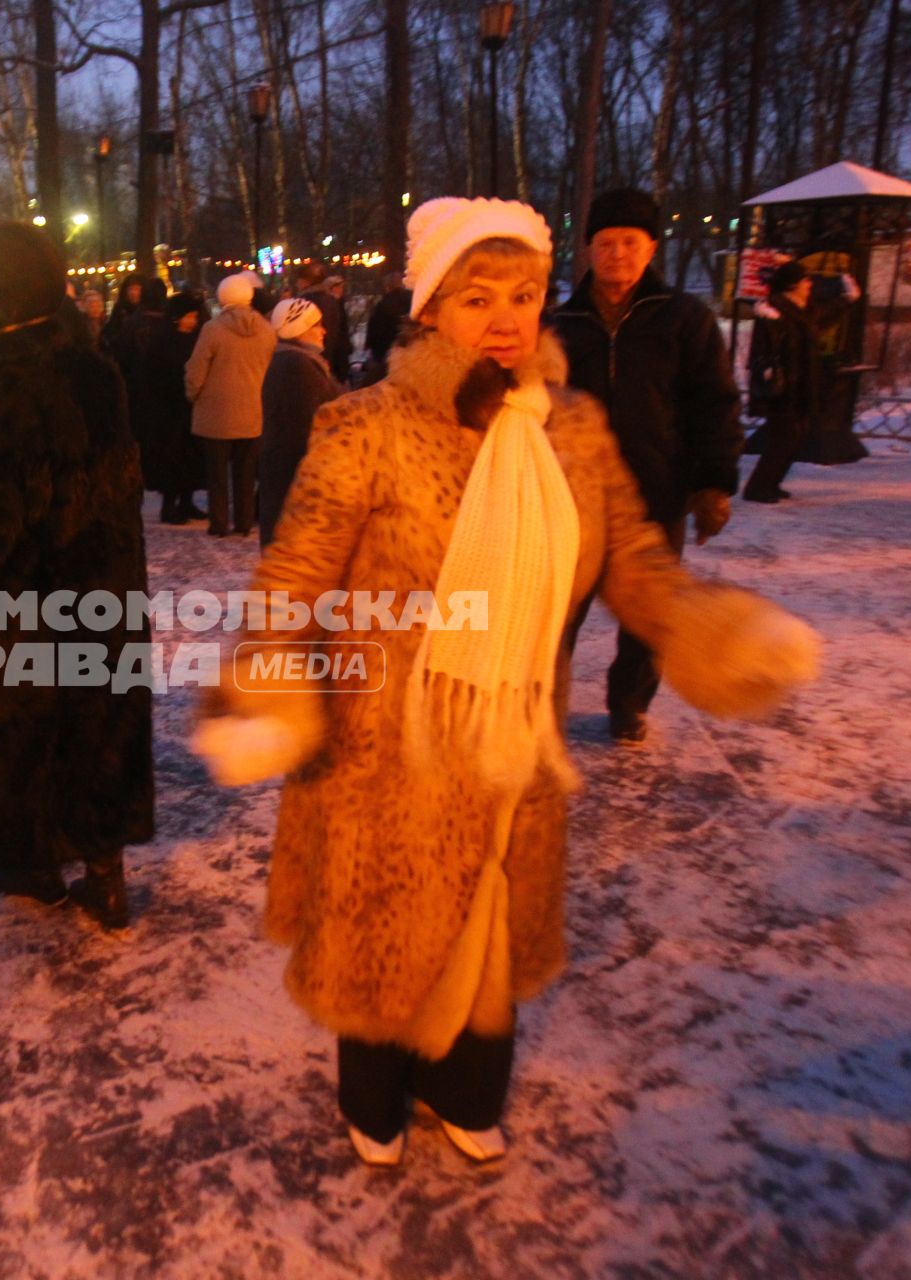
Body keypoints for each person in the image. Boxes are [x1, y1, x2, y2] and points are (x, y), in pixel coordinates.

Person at [190, 198, 819, 1168]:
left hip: (515, 738)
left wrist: (709, 632)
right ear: (431, 306)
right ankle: (379, 1097)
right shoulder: (365, 426)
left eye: (523, 294)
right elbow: (297, 572)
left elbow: (638, 566)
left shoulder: (573, 432)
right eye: (478, 295)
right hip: (384, 746)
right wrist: (268, 681)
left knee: (489, 923)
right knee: (383, 928)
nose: (506, 316)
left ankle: (465, 1086)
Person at [0, 218, 153, 930]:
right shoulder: (91, 362)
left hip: (18, 610)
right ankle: (105, 874)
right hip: (102, 590)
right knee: (96, 729)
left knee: (18, 740)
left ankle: (30, 860)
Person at [550, 187, 743, 743]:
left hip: (658, 493)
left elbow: (716, 401)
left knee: (650, 615)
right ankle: (538, 698)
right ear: (587, 250)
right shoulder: (563, 323)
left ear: (651, 247)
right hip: (574, 499)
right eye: (605, 243)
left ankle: (628, 704)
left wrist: (712, 483)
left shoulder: (682, 317)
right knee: (555, 614)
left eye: (629, 243)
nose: (616, 255)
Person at [185, 272, 277, 536]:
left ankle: (219, 523)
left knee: (217, 475)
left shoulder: (212, 330)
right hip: (253, 412)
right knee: (246, 473)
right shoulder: (266, 330)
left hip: (216, 413)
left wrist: (193, 395)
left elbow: (196, 371)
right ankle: (244, 521)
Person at [256, 296, 343, 546]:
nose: (323, 330)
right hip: (297, 486)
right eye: (315, 325)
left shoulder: (298, 361)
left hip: (293, 481)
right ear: (298, 329)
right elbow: (308, 428)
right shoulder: (296, 366)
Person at [742, 261, 827, 505]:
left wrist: (846, 300)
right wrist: (767, 369)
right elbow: (763, 348)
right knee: (785, 438)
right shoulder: (774, 310)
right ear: (793, 284)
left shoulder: (804, 310)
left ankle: (771, 484)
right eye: (806, 280)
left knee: (795, 437)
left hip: (803, 383)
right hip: (784, 387)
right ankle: (757, 488)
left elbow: (823, 321)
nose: (810, 284)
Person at [148, 291, 209, 524]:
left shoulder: (196, 339)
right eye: (189, 316)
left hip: (191, 407)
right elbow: (155, 375)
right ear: (176, 317)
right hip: (169, 410)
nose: (193, 321)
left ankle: (187, 500)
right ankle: (169, 505)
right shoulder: (162, 341)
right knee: (173, 457)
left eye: (195, 316)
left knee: (192, 456)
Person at [292, 261, 352, 384]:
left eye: (299, 279)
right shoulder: (331, 300)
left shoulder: (304, 304)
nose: (297, 284)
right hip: (333, 364)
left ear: (306, 281)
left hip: (315, 364)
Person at [363, 270, 414, 385]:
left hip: (385, 357)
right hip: (409, 356)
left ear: (387, 286)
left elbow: (375, 332)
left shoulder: (383, 305)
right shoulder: (412, 301)